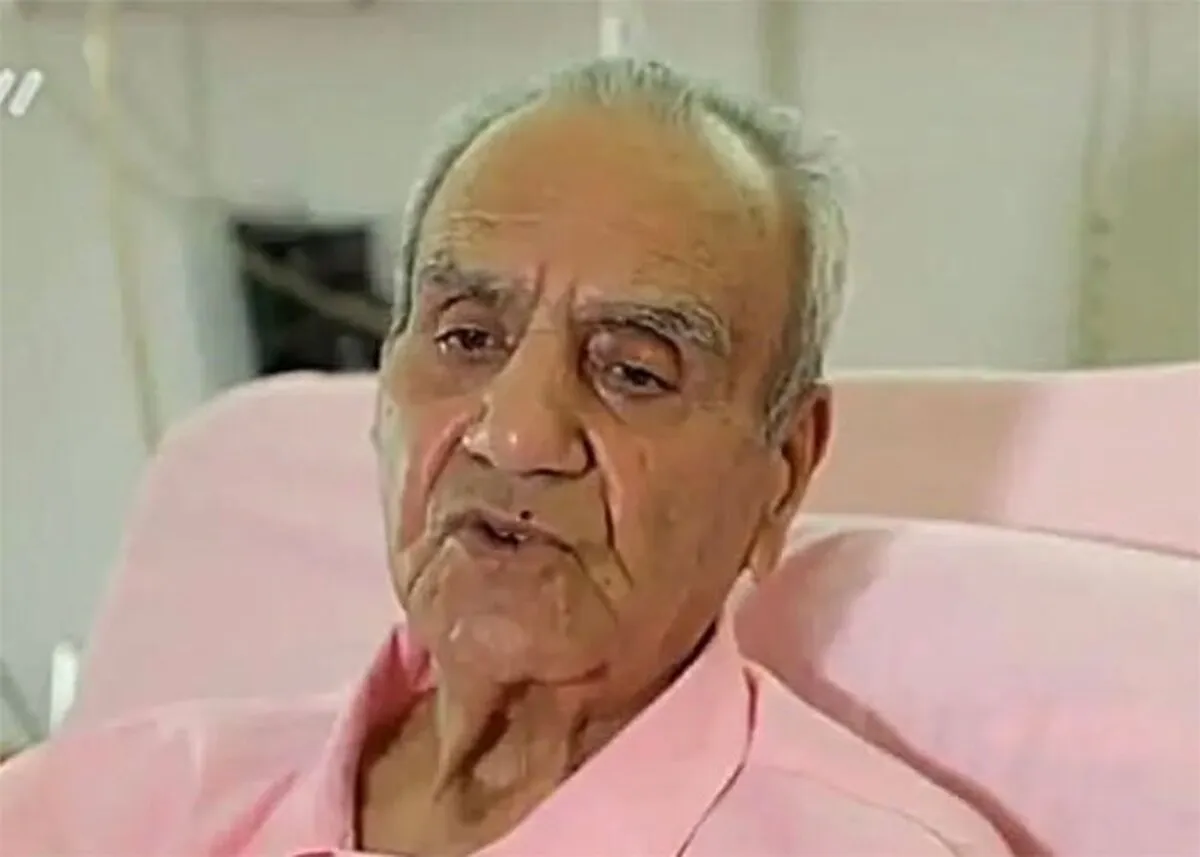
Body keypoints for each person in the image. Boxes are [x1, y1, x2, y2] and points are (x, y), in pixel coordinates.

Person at [0, 58, 1012, 856]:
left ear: (782, 472)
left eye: (634, 370)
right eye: (468, 336)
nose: (516, 434)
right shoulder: (91, 810)